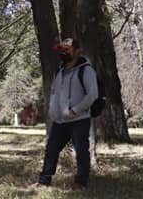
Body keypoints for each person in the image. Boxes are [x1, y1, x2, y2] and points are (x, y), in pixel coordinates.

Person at [36, 38, 98, 189]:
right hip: (60, 121)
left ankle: (80, 183)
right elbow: (55, 94)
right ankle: (44, 181)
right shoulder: (59, 71)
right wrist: (53, 111)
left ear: (77, 51)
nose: (63, 52)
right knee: (51, 149)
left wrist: (75, 110)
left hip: (79, 119)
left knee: (81, 151)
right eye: (61, 49)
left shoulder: (86, 70)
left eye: (67, 49)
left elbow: (92, 94)